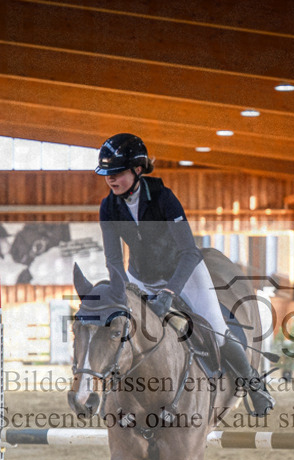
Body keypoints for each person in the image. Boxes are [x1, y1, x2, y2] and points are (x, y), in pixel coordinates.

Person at [94, 133, 274, 417]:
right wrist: (124, 290)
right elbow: (114, 259)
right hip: (140, 278)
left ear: (137, 169)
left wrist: (169, 293)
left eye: (117, 173)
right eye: (107, 174)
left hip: (184, 272)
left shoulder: (163, 197)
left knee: (217, 329)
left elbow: (189, 252)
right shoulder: (109, 207)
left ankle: (253, 384)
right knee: (125, 332)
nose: (111, 179)